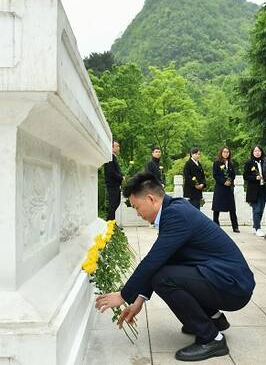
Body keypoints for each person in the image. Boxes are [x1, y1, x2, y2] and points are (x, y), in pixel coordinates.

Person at [95, 172, 255, 362]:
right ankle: (214, 318)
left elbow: (153, 261)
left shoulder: (176, 215)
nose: (138, 213)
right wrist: (138, 300)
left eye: (137, 207)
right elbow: (163, 259)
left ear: (151, 198)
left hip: (232, 286)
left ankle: (212, 338)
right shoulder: (174, 209)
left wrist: (123, 295)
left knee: (163, 278)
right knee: (166, 273)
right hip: (225, 279)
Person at [211, 146, 239, 232]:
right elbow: (215, 175)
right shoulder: (216, 163)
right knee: (217, 207)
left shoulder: (231, 163)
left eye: (227, 152)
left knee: (232, 208)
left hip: (229, 188)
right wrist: (223, 181)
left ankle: (235, 227)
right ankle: (216, 225)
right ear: (221, 153)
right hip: (220, 187)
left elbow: (233, 174)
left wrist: (229, 180)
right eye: (224, 152)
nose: (226, 153)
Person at [243, 146, 266, 237]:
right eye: (255, 151)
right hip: (253, 190)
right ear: (252, 152)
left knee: (261, 209)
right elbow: (245, 176)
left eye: (259, 151)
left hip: (263, 189)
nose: (257, 152)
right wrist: (255, 177)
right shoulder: (249, 163)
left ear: (261, 152)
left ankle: (255, 226)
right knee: (256, 209)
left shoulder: (265, 162)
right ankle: (258, 228)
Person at [103, 140, 123, 221]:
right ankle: (109, 223)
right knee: (113, 204)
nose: (119, 148)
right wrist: (121, 178)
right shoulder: (110, 158)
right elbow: (111, 172)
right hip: (112, 185)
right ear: (112, 147)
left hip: (115, 185)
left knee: (115, 204)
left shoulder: (113, 157)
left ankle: (112, 223)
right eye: (117, 146)